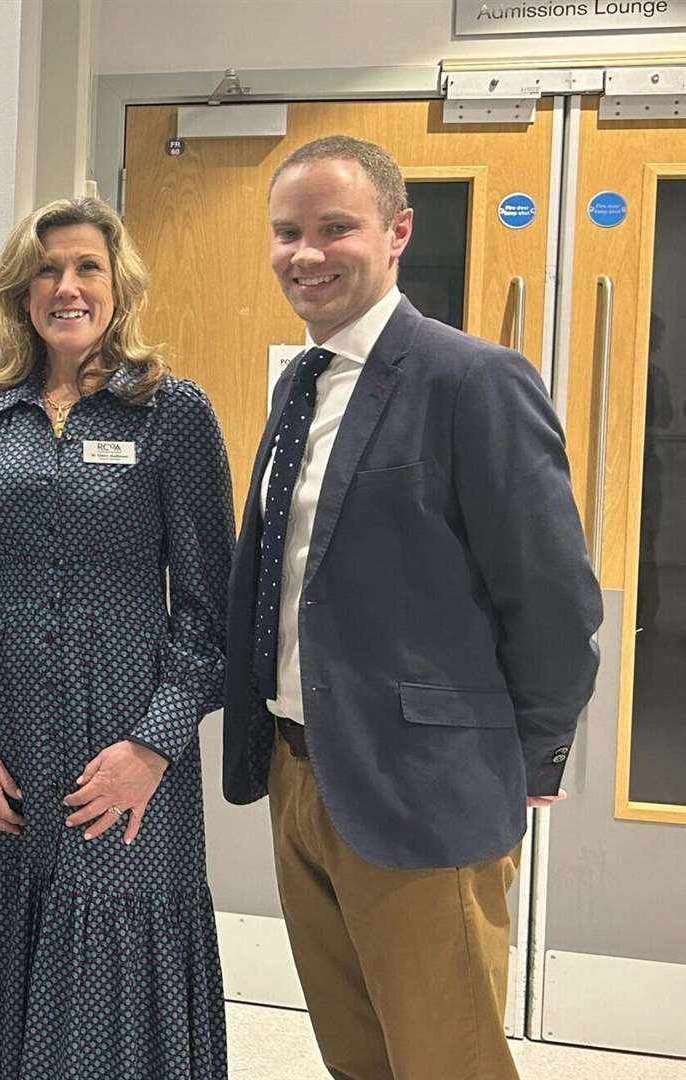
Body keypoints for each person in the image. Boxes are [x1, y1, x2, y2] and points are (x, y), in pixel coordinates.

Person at [223, 135, 601, 1080]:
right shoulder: (300, 384)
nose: (305, 255)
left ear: (396, 233)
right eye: (286, 233)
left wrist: (535, 748)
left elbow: (551, 593)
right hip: (299, 772)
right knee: (355, 1054)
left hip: (424, 780)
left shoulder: (472, 379)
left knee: (444, 1060)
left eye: (332, 229)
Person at [0, 197, 233, 1079]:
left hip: (120, 762)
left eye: (86, 266)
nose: (66, 286)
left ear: (117, 284)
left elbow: (209, 621)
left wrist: (151, 749)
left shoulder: (173, 416)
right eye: (47, 270)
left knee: (109, 981)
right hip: (0, 765)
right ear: (22, 291)